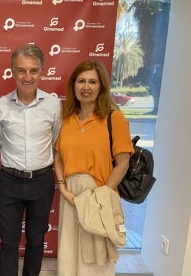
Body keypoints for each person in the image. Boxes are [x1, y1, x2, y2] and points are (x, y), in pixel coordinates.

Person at [54, 59, 134, 276]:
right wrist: (63, 188)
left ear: (102, 87)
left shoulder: (113, 118)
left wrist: (101, 195)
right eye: (81, 81)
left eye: (92, 82)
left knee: (96, 259)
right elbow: (58, 156)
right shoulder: (67, 119)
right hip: (70, 195)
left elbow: (123, 163)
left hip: (100, 194)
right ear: (73, 85)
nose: (86, 87)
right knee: (70, 254)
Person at [0, 44, 62, 276]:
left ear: (42, 71)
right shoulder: (0, 106)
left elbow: (54, 140)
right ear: (13, 71)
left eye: (33, 70)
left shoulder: (53, 105)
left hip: (41, 182)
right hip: (10, 181)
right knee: (8, 242)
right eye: (21, 70)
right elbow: (0, 141)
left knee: (36, 239)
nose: (27, 76)